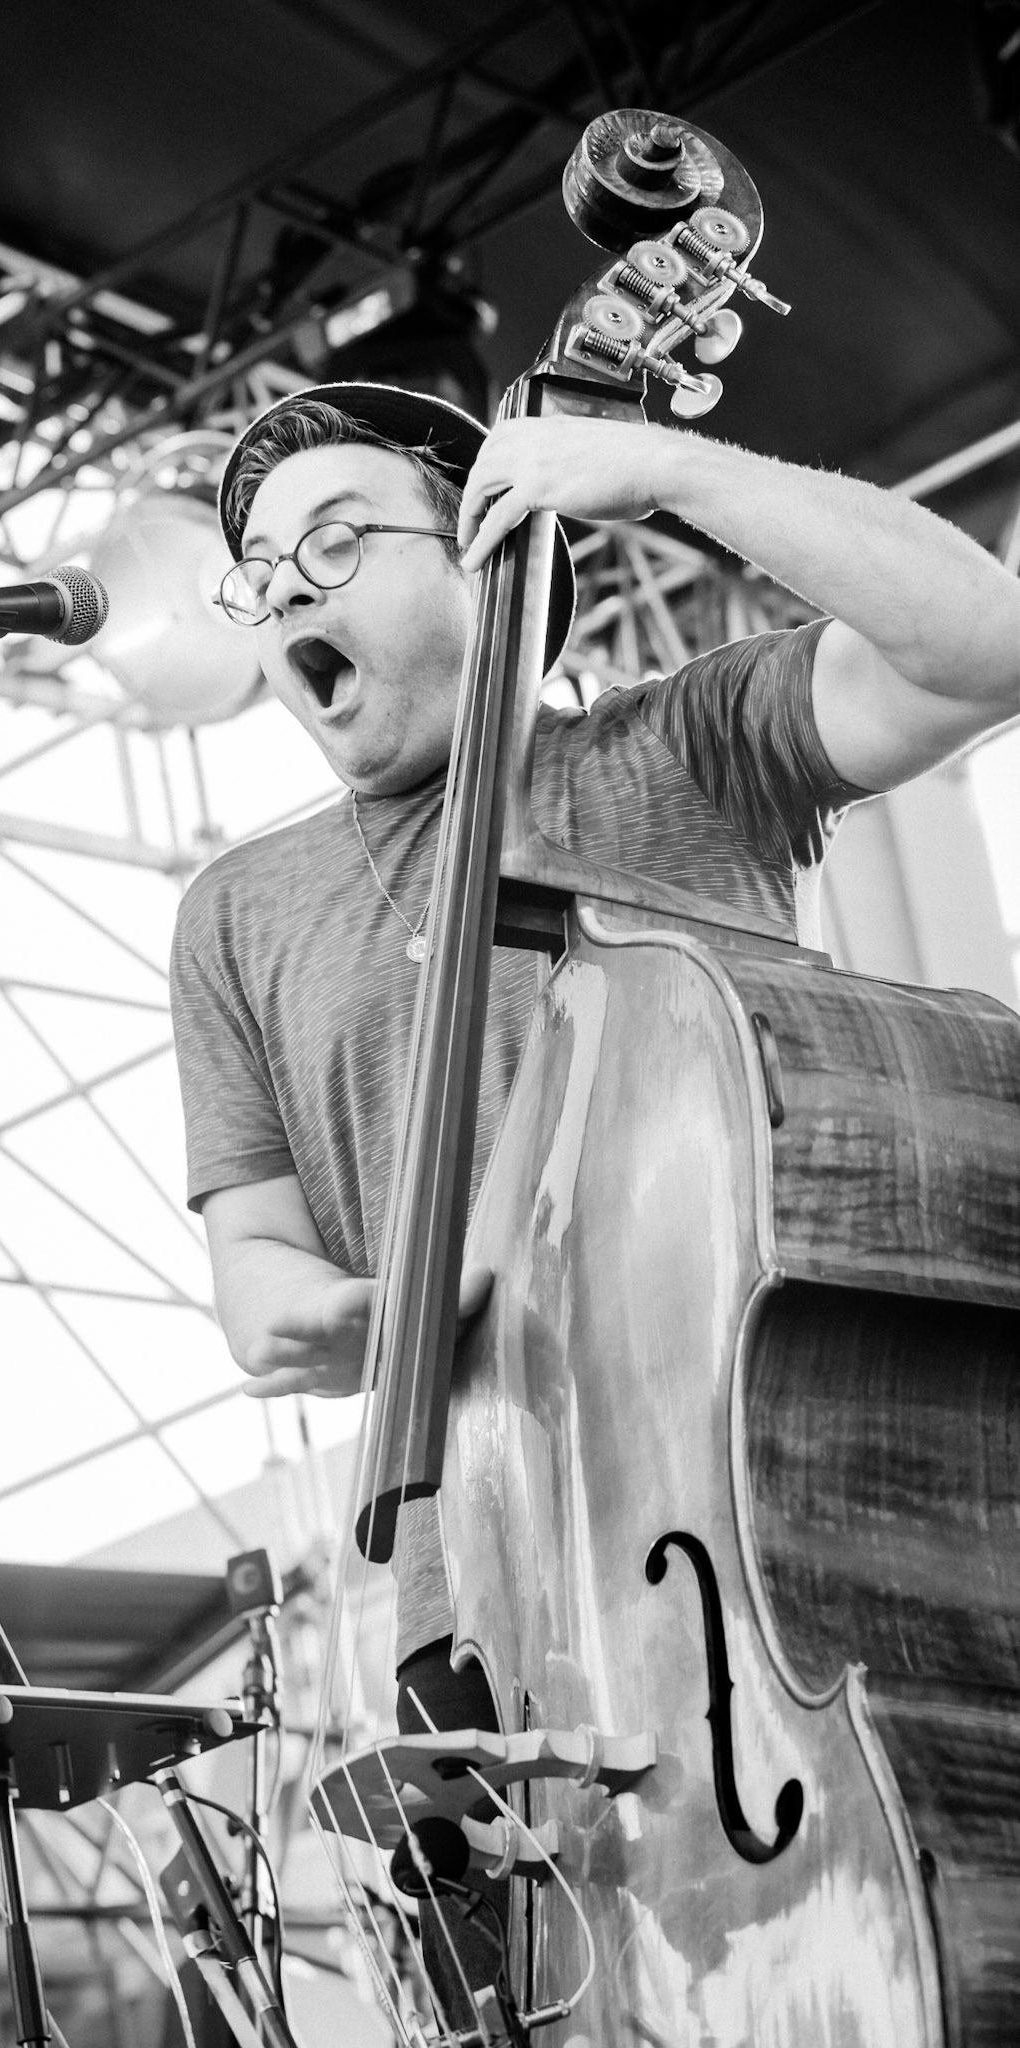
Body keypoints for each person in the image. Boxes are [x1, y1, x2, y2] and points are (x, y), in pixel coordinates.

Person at [167, 378, 1018, 2004]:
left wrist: (664, 463)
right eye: (257, 569)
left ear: (490, 547)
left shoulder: (683, 748)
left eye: (333, 541)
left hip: (779, 1523)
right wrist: (324, 1313)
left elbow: (986, 644)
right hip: (464, 1586)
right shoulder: (236, 914)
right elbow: (255, 1266)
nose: (282, 589)